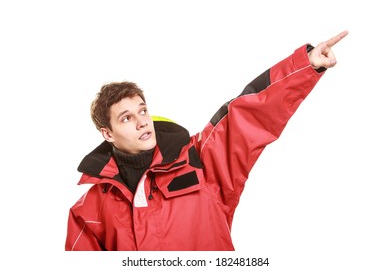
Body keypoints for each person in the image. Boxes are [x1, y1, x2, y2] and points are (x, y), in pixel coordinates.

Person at [65, 30, 348, 251]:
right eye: (126, 118)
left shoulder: (199, 160)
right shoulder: (89, 210)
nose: (142, 122)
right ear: (107, 133)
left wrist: (306, 65)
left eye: (143, 110)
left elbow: (247, 114)